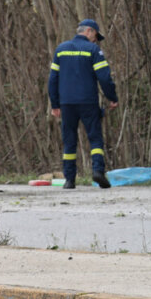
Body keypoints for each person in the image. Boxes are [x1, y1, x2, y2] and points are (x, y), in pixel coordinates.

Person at [48, 19, 119, 189]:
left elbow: (52, 79)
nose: (96, 40)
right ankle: (97, 172)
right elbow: (104, 77)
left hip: (66, 103)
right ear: (89, 31)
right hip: (88, 101)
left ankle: (69, 179)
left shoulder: (61, 49)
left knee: (69, 140)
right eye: (96, 35)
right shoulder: (93, 50)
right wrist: (112, 97)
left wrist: (55, 104)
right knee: (95, 138)